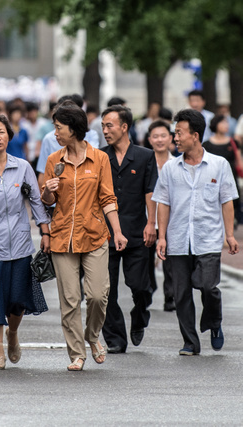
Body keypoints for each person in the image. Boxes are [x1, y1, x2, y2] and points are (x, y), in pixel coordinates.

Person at [41, 101, 128, 372]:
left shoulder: (100, 158)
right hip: (62, 237)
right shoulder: (54, 160)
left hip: (94, 234)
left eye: (59, 128)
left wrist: (117, 231)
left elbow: (108, 198)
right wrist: (48, 190)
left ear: (74, 129)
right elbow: (47, 201)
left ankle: (92, 336)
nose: (55, 133)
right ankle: (77, 353)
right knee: (70, 300)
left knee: (98, 295)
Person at [0, 114, 51, 370]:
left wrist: (45, 233)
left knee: (17, 300)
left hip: (20, 244)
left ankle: (12, 333)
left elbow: (36, 201)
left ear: (9, 135)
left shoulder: (22, 167)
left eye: (2, 132)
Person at [154, 109, 239, 355]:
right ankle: (190, 342)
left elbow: (227, 201)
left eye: (179, 133)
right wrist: (162, 237)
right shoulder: (170, 168)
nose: (175, 138)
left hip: (208, 238)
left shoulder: (219, 164)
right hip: (178, 239)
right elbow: (163, 202)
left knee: (208, 287)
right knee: (181, 294)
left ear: (195, 135)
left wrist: (230, 235)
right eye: (175, 133)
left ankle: (214, 322)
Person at [100, 105, 158, 354]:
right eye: (103, 126)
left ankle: (140, 314)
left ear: (124, 127)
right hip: (106, 234)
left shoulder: (145, 156)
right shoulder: (101, 156)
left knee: (141, 286)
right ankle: (115, 339)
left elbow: (150, 192)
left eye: (109, 125)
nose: (105, 131)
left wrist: (151, 223)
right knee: (105, 291)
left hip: (137, 231)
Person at [36, 94, 100, 187]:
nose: (56, 134)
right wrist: (47, 194)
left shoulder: (99, 154)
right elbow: (43, 180)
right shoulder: (52, 152)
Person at [148, 120, 176, 312]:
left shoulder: (177, 164)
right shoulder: (143, 163)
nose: (160, 140)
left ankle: (170, 296)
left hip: (170, 220)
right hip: (148, 220)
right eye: (155, 136)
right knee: (146, 260)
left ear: (171, 138)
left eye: (163, 136)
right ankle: (150, 288)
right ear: (149, 139)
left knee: (170, 261)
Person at [203, 115, 242, 225]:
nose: (226, 125)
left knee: (230, 205)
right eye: (223, 122)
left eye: (226, 123)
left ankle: (228, 232)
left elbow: (239, 161)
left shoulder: (233, 142)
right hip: (212, 181)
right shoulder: (206, 144)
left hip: (230, 179)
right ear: (215, 125)